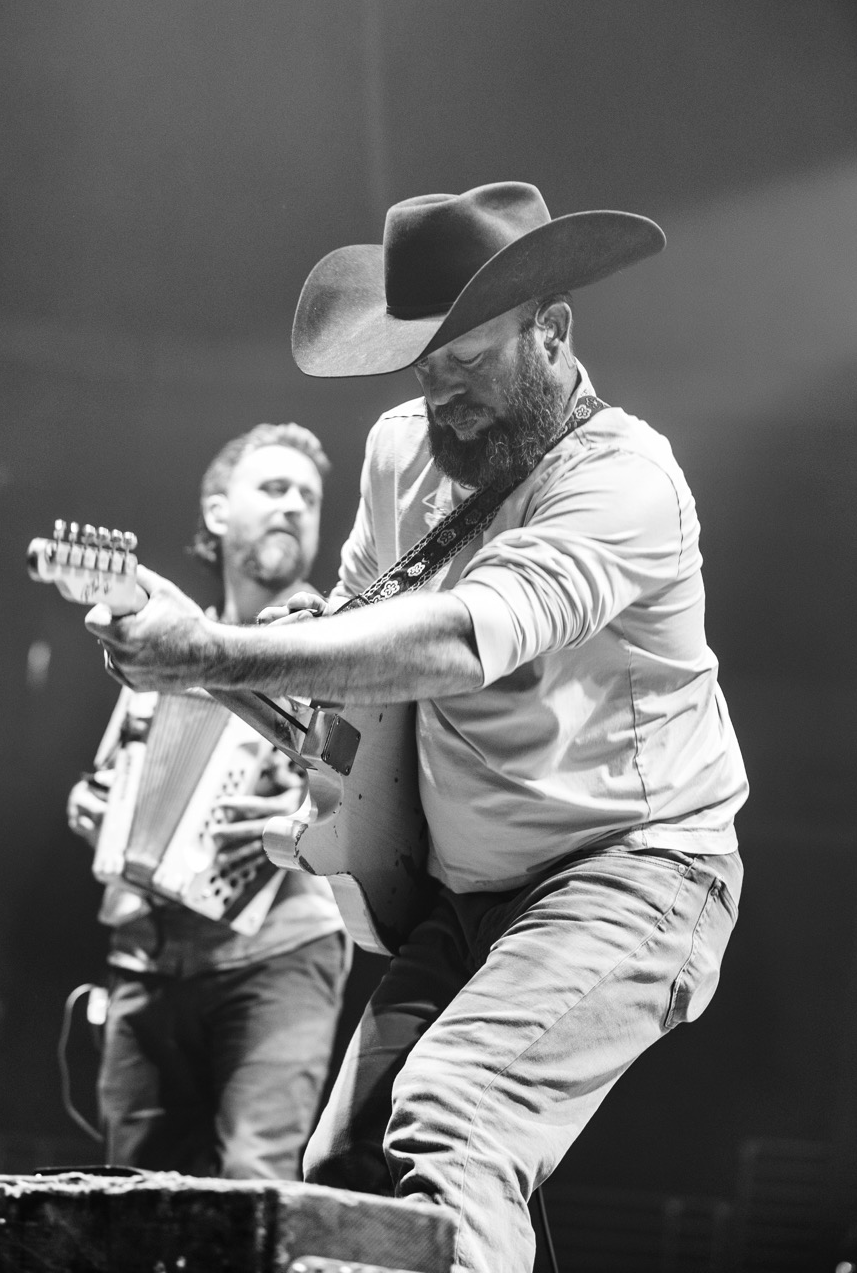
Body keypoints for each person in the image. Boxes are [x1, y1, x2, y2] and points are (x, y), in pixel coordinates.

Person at [87, 183, 749, 1273]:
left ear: (552, 331)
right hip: (464, 889)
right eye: (423, 370)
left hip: (633, 871)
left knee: (452, 1113)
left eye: (469, 362)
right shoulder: (403, 453)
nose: (444, 400)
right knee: (345, 1164)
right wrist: (203, 667)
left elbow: (452, 642)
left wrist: (208, 653)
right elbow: (357, 652)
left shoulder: (625, 482)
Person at [68, 421, 350, 1180]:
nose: (294, 505)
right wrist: (92, 808)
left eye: (308, 497)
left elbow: (376, 792)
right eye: (274, 487)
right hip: (148, 955)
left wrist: (310, 818)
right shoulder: (160, 643)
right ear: (218, 512)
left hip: (281, 950)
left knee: (254, 1185)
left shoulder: (338, 641)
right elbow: (115, 779)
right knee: (132, 1199)